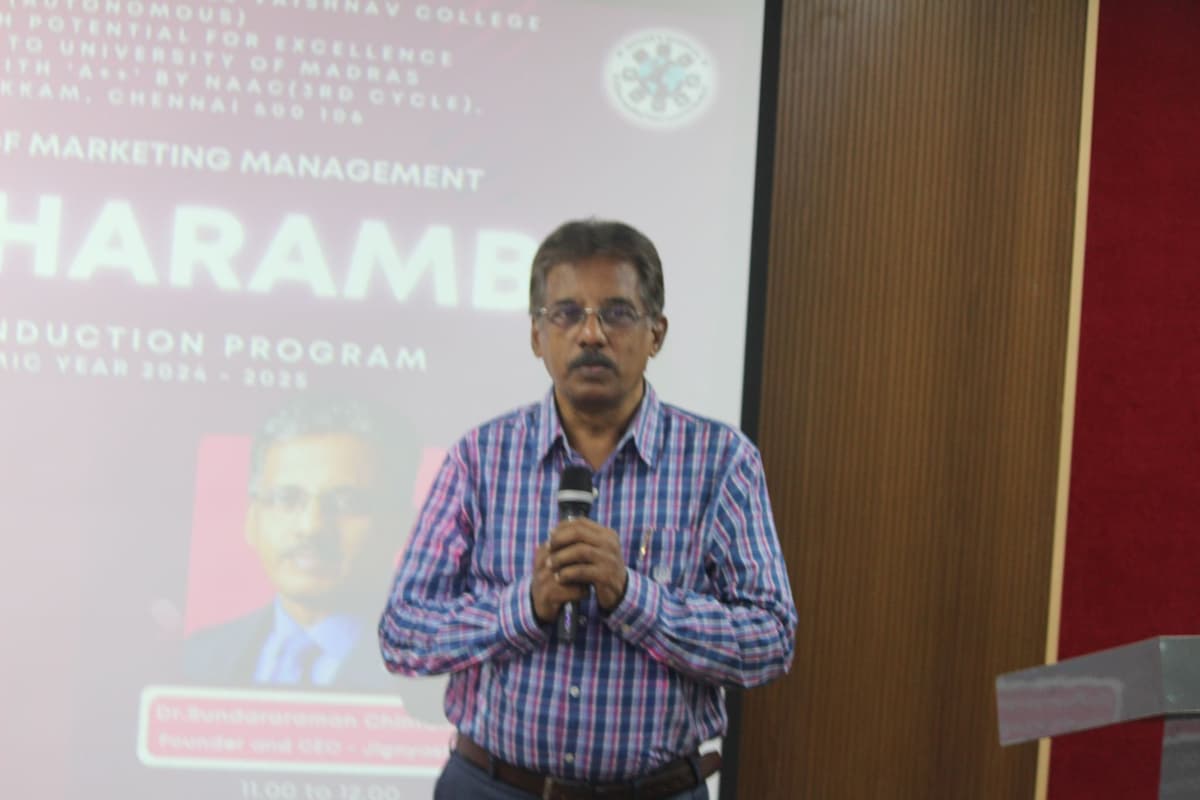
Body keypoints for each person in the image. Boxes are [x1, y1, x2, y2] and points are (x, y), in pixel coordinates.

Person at [378, 219, 797, 799]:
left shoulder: (721, 461)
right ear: (537, 336)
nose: (591, 334)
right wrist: (524, 606)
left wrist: (633, 597)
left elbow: (770, 639)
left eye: (618, 313)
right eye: (567, 313)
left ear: (657, 333)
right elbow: (403, 633)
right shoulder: (481, 458)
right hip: (494, 787)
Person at [186, 396, 422, 694]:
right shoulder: (198, 658)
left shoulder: (441, 668)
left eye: (346, 503)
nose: (311, 527)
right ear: (252, 519)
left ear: (404, 525)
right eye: (287, 499)